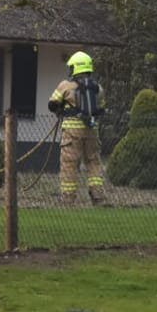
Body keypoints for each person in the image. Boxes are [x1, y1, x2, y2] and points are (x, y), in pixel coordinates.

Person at [48, 51, 107, 205]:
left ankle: (68, 199)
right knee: (93, 163)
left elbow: (52, 104)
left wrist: (62, 109)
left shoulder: (65, 86)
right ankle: (98, 197)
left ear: (75, 68)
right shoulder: (98, 89)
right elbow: (101, 108)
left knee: (69, 164)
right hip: (92, 132)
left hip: (72, 132)